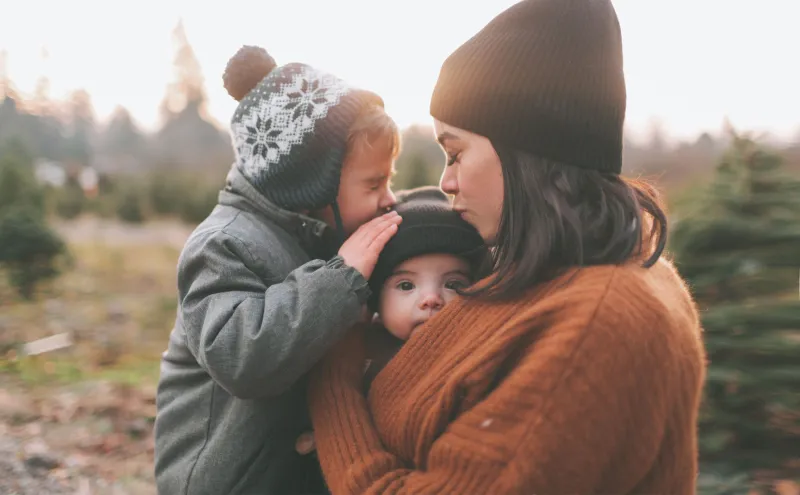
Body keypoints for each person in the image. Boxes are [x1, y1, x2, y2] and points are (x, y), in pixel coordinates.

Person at [308, 1, 708, 494]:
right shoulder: (546, 275)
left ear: (526, 151)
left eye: (455, 153)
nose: (445, 181)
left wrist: (334, 387)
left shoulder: (595, 327)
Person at [154, 45, 402, 495]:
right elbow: (241, 357)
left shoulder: (319, 235)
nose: (390, 197)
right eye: (374, 183)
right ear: (312, 184)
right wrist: (341, 278)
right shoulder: (223, 244)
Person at [361, 186, 488, 391]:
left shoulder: (477, 352)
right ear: (377, 301)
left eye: (453, 285)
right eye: (406, 285)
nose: (431, 298)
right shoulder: (359, 352)